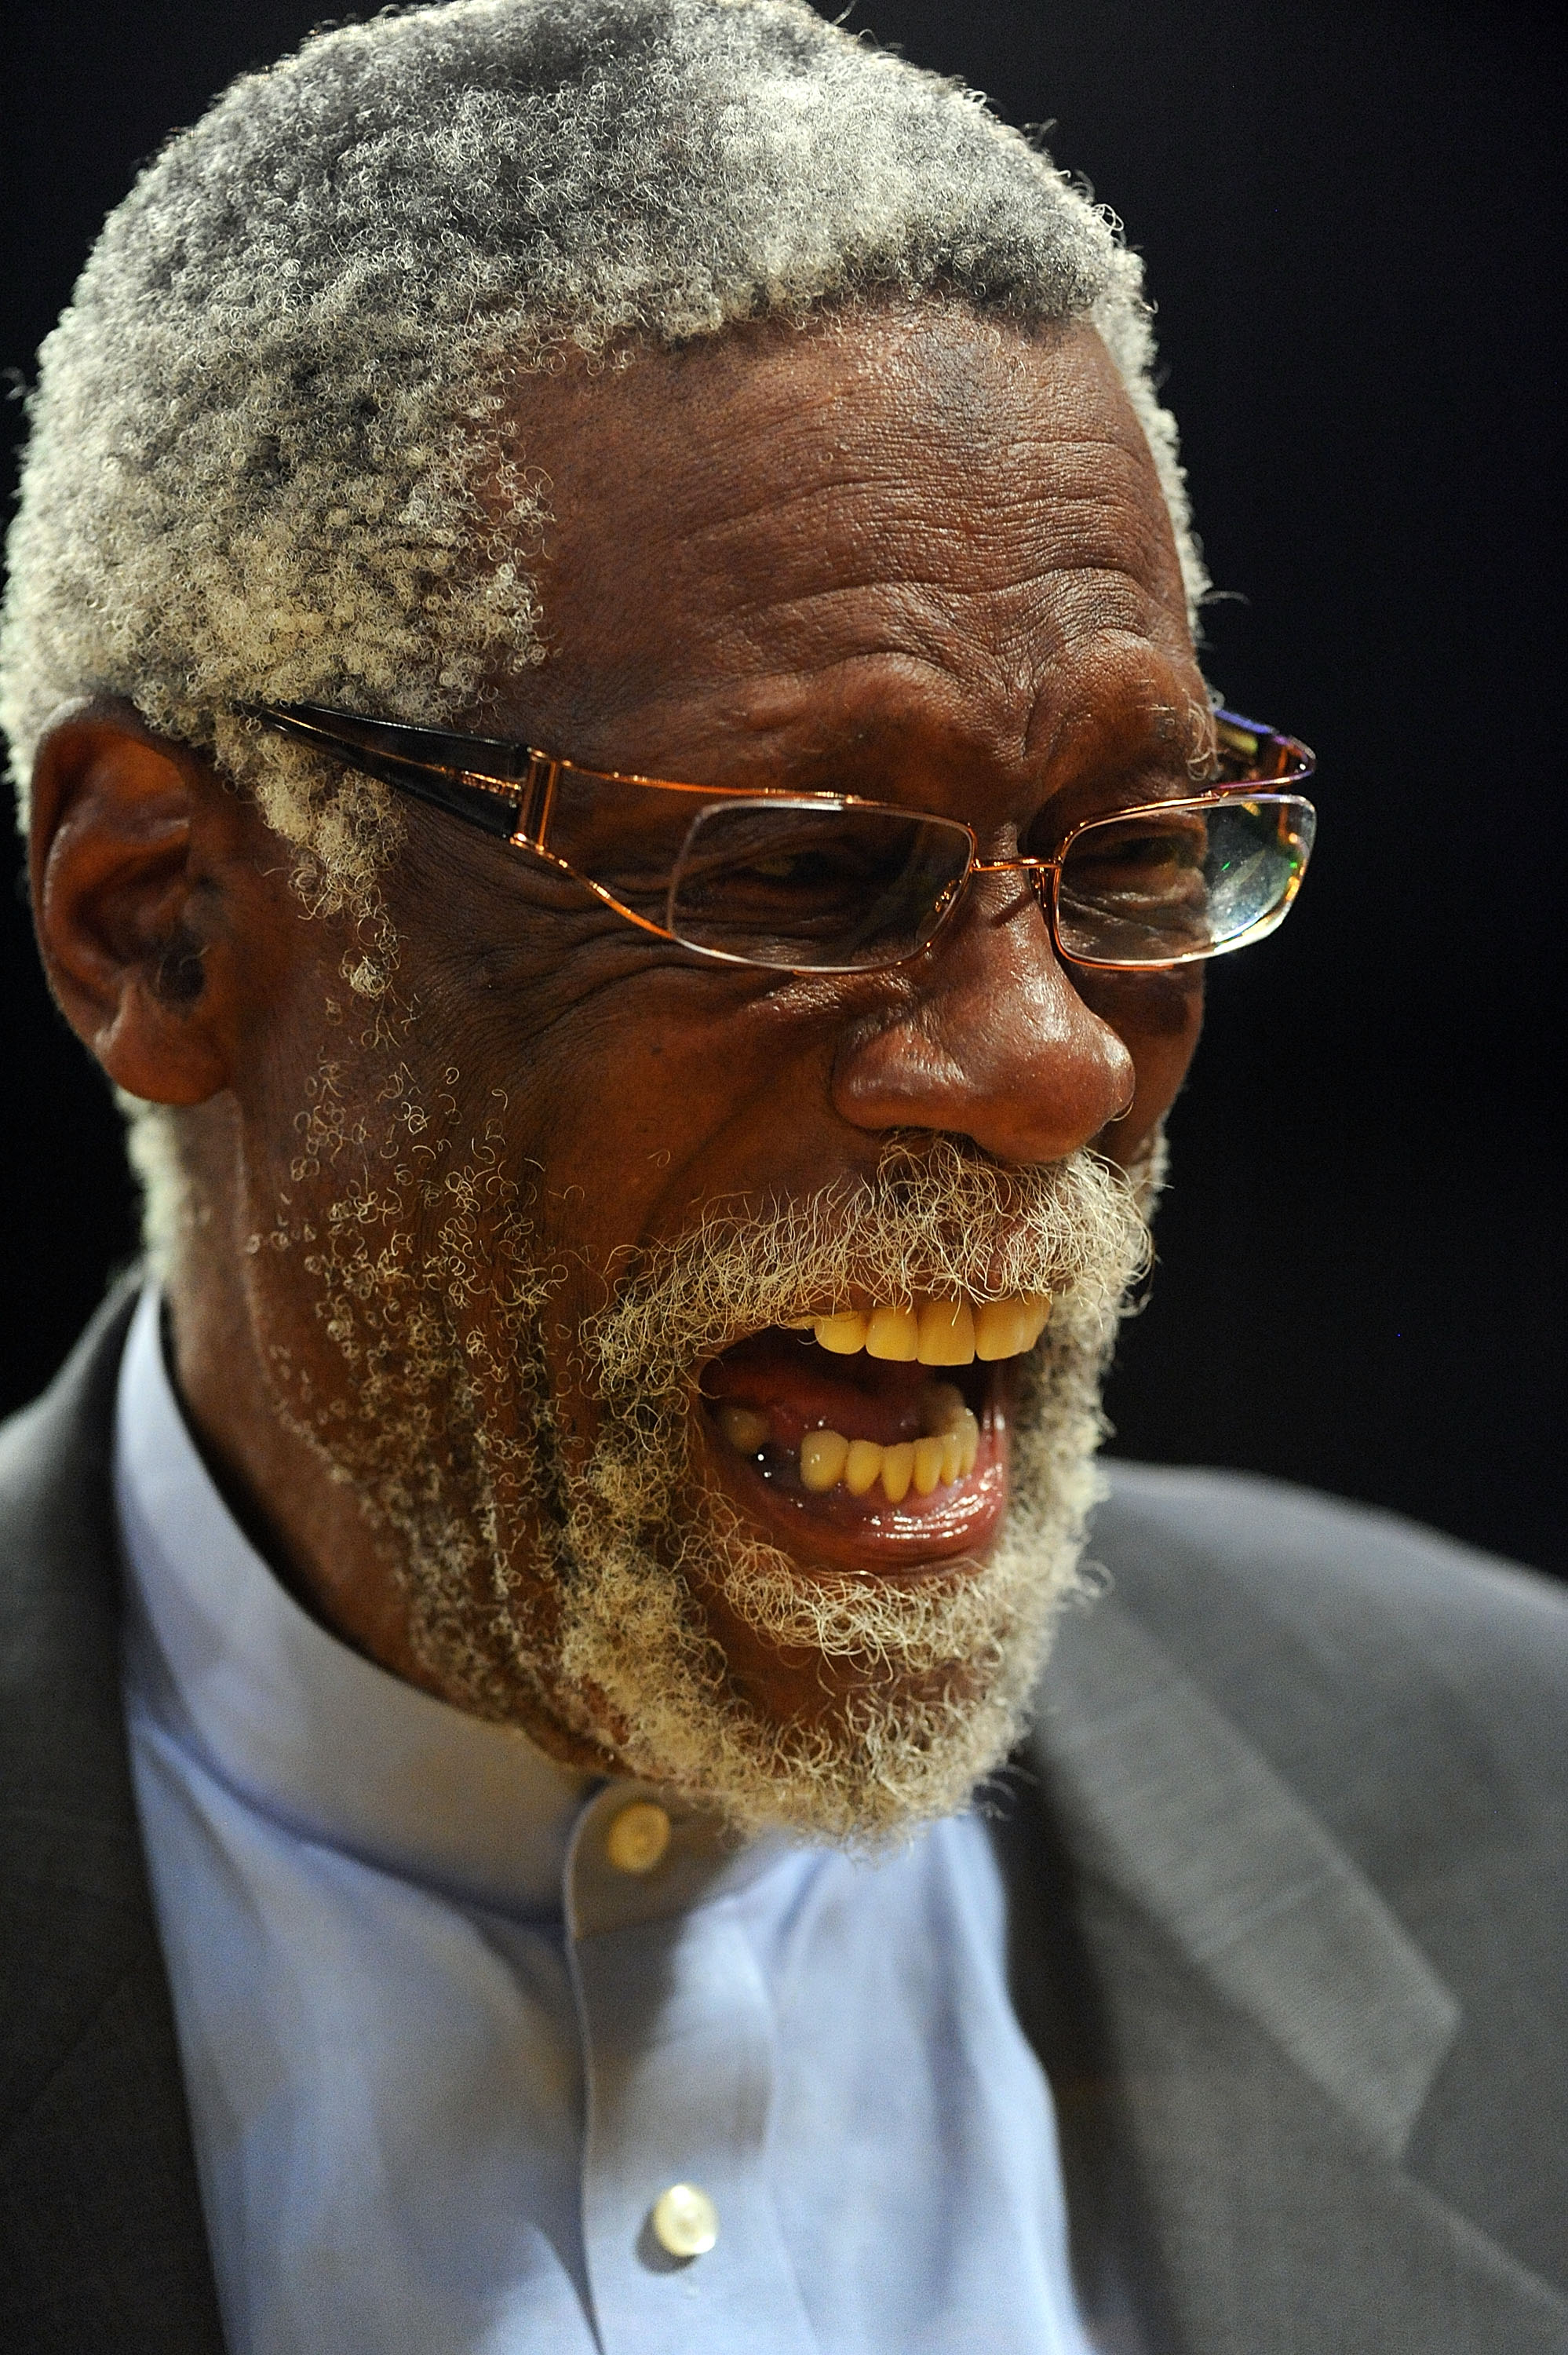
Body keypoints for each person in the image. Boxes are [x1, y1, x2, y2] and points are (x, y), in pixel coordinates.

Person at [1, 2, 1562, 2349]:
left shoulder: (1518, 1803)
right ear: (167, 919)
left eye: (1137, 855)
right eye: (804, 874)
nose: (1049, 1063)